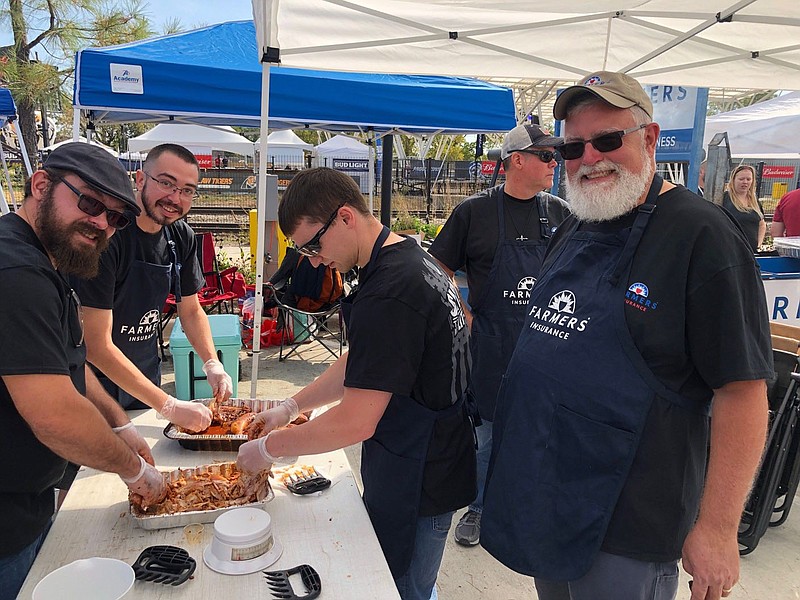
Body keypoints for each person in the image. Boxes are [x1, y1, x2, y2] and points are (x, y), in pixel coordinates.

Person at [481, 71, 772, 600]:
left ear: (651, 138)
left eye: (609, 140)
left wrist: (718, 529)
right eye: (572, 147)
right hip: (552, 498)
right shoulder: (576, 223)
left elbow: (744, 393)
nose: (590, 159)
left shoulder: (702, 237)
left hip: (631, 523)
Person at [235, 167, 475, 600]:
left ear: (345, 217)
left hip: (421, 470)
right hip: (425, 452)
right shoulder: (407, 254)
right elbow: (368, 360)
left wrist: (269, 449)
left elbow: (356, 422)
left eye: (312, 245)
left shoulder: (391, 291)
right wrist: (291, 406)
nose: (311, 260)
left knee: (401, 588)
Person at [0, 143, 167, 599]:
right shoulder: (16, 270)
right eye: (90, 204)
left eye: (115, 218)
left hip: (28, 505)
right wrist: (132, 470)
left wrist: (120, 424)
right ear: (41, 185)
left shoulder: (41, 263)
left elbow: (68, 364)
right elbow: (54, 413)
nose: (101, 224)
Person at [428, 123, 570, 546]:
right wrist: (466, 315)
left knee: (541, 431)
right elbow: (437, 270)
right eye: (545, 156)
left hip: (545, 345)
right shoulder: (474, 213)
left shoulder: (561, 213)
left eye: (555, 156)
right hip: (491, 345)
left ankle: (530, 509)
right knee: (487, 434)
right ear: (516, 161)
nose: (554, 162)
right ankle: (478, 509)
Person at [70, 144, 232, 432]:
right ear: (140, 179)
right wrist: (168, 405)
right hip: (94, 386)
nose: (175, 198)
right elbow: (95, 343)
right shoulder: (109, 234)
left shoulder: (180, 236)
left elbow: (191, 310)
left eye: (187, 190)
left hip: (144, 377)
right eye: (167, 183)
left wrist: (212, 363)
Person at [721, 164, 766, 252]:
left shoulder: (754, 201)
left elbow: (762, 224)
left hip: (751, 250)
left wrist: (759, 244)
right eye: (741, 179)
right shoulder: (724, 198)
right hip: (730, 250)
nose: (745, 182)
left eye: (748, 179)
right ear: (733, 180)